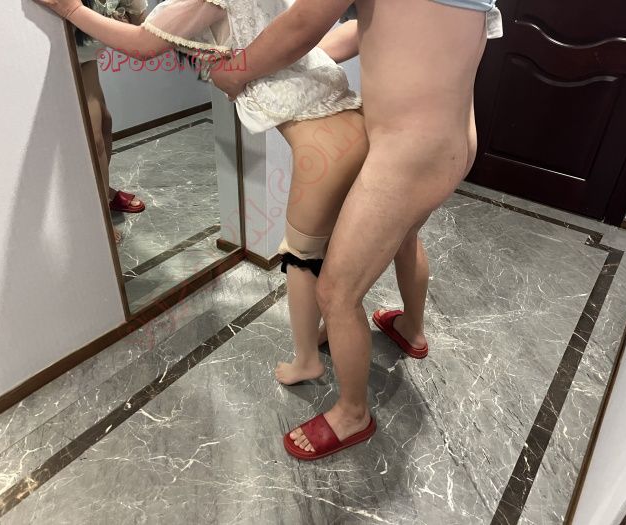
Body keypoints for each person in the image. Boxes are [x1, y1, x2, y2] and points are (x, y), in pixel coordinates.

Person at [34, 0, 433, 443]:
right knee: (377, 245)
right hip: (356, 120)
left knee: (303, 259)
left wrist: (70, 9)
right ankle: (406, 331)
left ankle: (308, 362)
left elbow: (142, 45)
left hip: (322, 147)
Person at [210, 0, 502, 459]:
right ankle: (411, 329)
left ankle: (352, 413)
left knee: (337, 293)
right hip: (454, 138)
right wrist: (299, 65)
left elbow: (304, 23)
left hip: (408, 153)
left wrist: (236, 71)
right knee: (405, 237)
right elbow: (373, 27)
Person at [76, 0, 147, 244]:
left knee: (105, 123)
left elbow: (141, 31)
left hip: (86, 55)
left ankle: (102, 192)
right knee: (93, 138)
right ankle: (99, 215)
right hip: (63, 58)